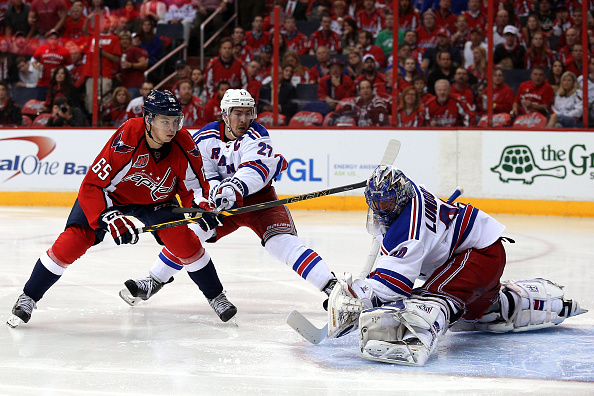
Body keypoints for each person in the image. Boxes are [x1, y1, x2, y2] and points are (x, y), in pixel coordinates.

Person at [7, 90, 236, 329]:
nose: (172, 127)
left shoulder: (184, 143)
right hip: (111, 197)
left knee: (184, 241)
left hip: (157, 202)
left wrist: (201, 206)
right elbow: (93, 184)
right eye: (164, 120)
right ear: (148, 119)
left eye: (176, 120)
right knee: (72, 242)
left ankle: (216, 296)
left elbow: (194, 187)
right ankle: (28, 297)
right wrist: (108, 216)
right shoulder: (128, 137)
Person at [326, 164, 586, 366]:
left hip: (478, 256)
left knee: (428, 300)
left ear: (400, 197)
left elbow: (393, 287)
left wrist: (360, 296)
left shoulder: (407, 230)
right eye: (375, 203)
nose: (380, 209)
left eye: (385, 203)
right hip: (478, 257)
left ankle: (412, 340)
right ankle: (509, 304)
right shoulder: (413, 190)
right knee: (472, 316)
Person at [121, 89, 338, 313]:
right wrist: (214, 194)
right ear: (225, 114)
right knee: (191, 235)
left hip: (258, 201)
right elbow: (202, 174)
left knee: (280, 244)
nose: (243, 119)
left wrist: (231, 189)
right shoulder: (204, 138)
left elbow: (254, 171)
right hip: (220, 205)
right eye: (237, 113)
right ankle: (154, 281)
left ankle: (331, 287)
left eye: (248, 113)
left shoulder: (258, 136)